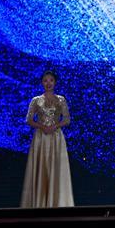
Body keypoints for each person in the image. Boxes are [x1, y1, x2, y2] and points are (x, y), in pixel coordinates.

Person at [21, 70, 73, 207]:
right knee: (42, 168)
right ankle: (40, 203)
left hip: (56, 138)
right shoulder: (36, 100)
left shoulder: (61, 99)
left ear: (55, 82)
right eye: (45, 80)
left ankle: (57, 203)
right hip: (41, 138)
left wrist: (55, 126)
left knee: (56, 169)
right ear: (42, 83)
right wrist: (42, 127)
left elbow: (67, 119)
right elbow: (28, 119)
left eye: (51, 80)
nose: (48, 83)